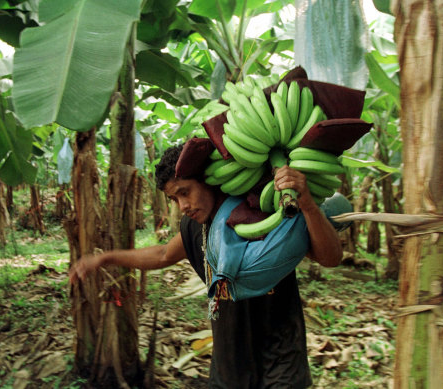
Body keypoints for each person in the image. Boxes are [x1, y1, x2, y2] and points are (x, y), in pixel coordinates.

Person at [69, 142, 346, 388]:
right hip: (229, 363)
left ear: (208, 180)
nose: (183, 205)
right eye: (175, 199)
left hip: (281, 356)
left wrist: (307, 203)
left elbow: (330, 258)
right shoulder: (193, 227)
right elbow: (164, 254)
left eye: (185, 192)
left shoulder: (262, 212)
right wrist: (106, 258)